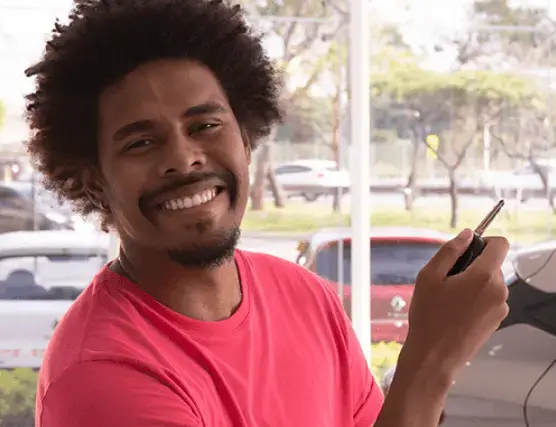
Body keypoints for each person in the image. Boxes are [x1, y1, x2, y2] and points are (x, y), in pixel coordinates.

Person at [24, 0, 510, 426]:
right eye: (141, 142)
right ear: (95, 180)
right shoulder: (101, 376)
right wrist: (430, 362)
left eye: (206, 126)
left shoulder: (305, 296)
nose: (185, 158)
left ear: (246, 138)